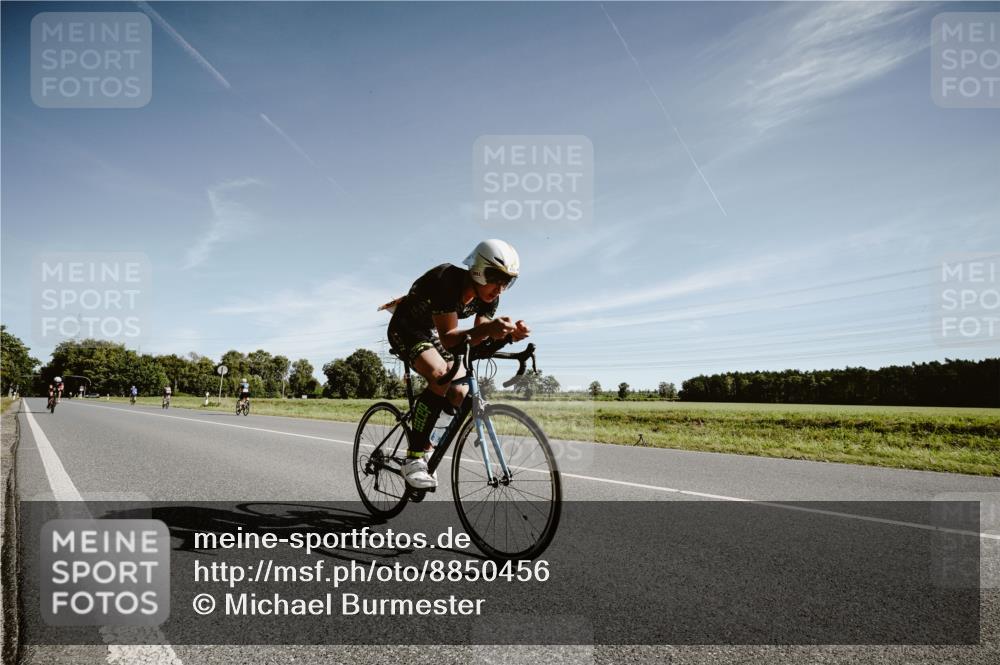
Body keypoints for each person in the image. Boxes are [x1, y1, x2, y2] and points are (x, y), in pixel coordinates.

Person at [386, 239, 530, 489]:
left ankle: (428, 445)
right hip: (407, 328)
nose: (499, 288)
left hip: (433, 332)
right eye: (495, 278)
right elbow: (451, 338)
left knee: (459, 389)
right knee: (441, 374)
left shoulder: (489, 299)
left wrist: (505, 337)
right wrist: (490, 329)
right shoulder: (447, 280)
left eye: (506, 282)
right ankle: (414, 458)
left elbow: (476, 339)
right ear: (477, 270)